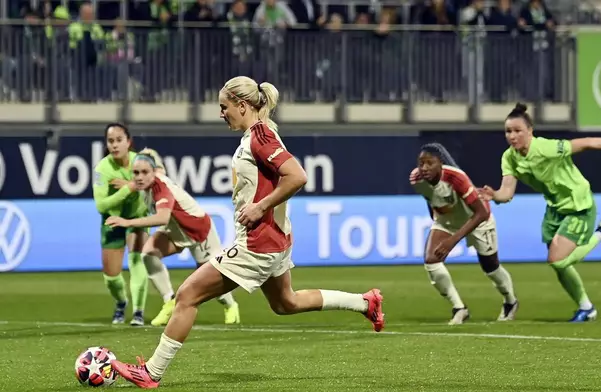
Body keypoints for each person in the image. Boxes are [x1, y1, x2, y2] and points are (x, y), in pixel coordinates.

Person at [111, 76, 385, 389]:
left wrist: (259, 207)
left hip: (259, 244)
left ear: (242, 106)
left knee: (187, 295)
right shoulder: (261, 133)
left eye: (223, 107)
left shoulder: (260, 136)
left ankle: (151, 373)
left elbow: (297, 176)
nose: (220, 113)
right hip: (276, 238)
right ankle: (365, 303)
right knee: (286, 303)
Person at [479, 102, 601, 322]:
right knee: (559, 266)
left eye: (517, 131)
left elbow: (587, 142)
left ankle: (599, 235)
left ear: (530, 131)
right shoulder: (509, 158)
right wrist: (494, 195)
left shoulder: (546, 148)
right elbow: (507, 191)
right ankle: (586, 307)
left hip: (578, 205)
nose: (512, 136)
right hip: (555, 208)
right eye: (508, 131)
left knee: (557, 260)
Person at [105, 151, 241, 327]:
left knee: (209, 281)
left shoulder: (161, 189)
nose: (139, 177)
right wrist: (129, 182)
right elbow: (147, 176)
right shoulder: (147, 181)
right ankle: (169, 300)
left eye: (144, 172)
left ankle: (230, 305)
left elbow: (161, 218)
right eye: (136, 172)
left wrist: (127, 222)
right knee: (148, 254)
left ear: (153, 172)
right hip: (174, 230)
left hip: (198, 232)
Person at [410, 143, 518, 325]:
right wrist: (437, 221)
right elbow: (430, 197)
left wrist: (452, 241)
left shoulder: (456, 178)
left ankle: (510, 301)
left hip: (477, 219)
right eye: (421, 163)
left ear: (441, 164)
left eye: (430, 163)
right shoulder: (416, 179)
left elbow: (481, 213)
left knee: (491, 268)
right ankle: (459, 308)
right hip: (447, 220)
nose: (424, 168)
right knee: (431, 261)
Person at [93, 123, 150, 326]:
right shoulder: (102, 169)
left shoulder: (140, 162)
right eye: (111, 141)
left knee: (137, 263)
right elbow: (101, 205)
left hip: (137, 219)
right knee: (111, 277)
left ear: (128, 142)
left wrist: (129, 185)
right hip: (112, 221)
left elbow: (154, 185)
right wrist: (131, 188)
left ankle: (138, 312)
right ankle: (121, 302)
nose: (115, 145)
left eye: (119, 140)